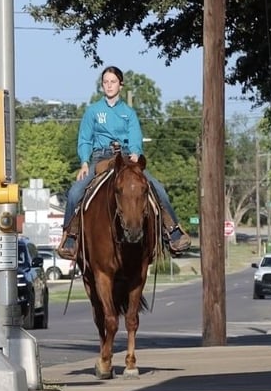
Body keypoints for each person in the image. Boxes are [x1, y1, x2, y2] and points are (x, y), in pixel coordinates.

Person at [57, 65, 191, 260]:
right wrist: (84, 162)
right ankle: (70, 237)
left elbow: (135, 136)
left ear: (120, 85)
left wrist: (136, 152)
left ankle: (172, 232)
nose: (109, 85)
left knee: (158, 187)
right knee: (75, 192)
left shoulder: (129, 113)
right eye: (105, 82)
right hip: (100, 158)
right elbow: (85, 139)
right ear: (102, 86)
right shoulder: (93, 111)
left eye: (113, 82)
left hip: (127, 158)